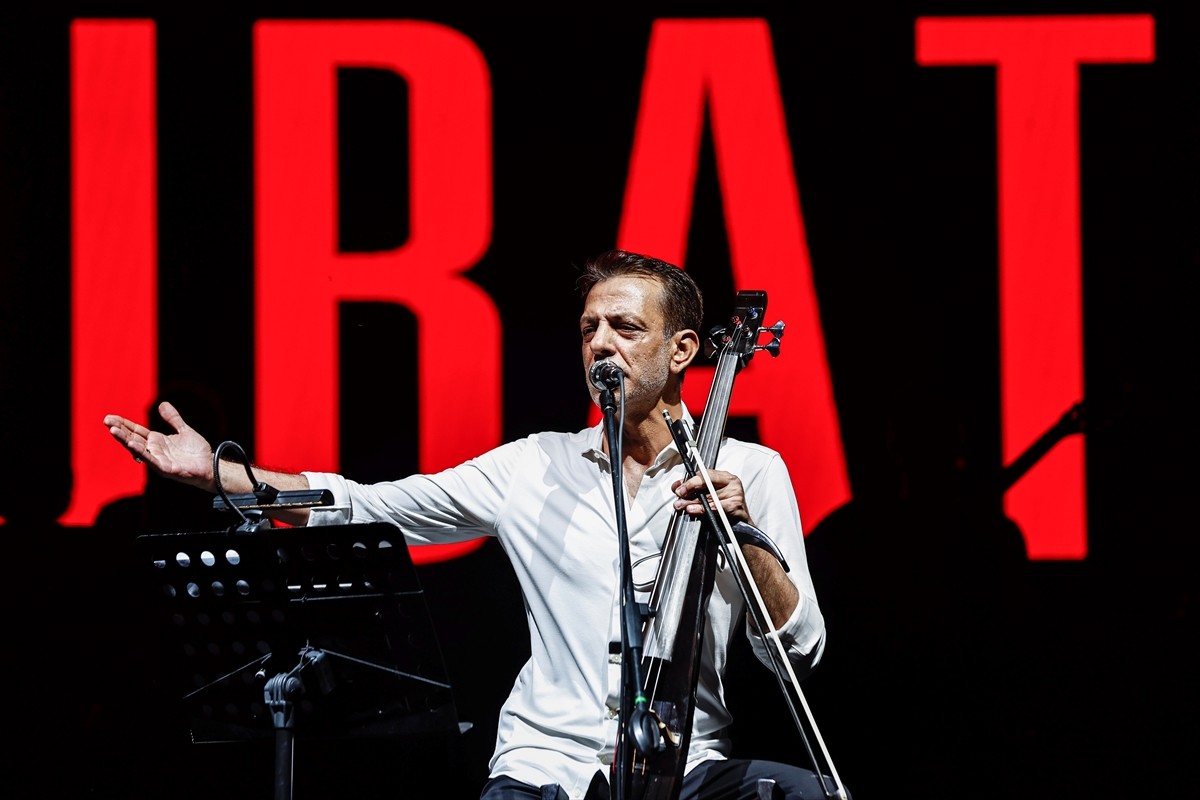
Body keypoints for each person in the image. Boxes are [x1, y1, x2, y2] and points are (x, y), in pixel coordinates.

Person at [103, 249, 836, 800]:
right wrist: (220, 476)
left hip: (688, 766)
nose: (600, 345)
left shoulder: (750, 471)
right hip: (545, 765)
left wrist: (741, 535)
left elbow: (794, 653)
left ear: (682, 350)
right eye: (589, 328)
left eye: (625, 327)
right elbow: (370, 504)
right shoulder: (533, 466)